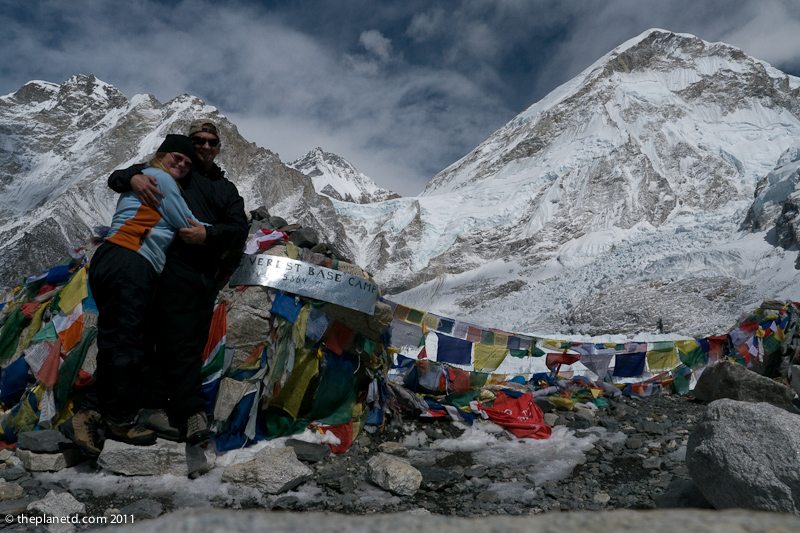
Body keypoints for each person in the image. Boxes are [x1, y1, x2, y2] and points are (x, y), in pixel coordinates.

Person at [105, 119, 248, 445]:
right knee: (147, 340)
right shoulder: (173, 170)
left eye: (212, 142)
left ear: (218, 147)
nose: (205, 147)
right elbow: (116, 178)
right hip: (157, 265)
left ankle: (179, 412)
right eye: (199, 140)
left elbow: (239, 228)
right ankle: (166, 411)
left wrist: (207, 234)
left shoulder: (225, 190)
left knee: (185, 343)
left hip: (198, 274)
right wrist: (135, 178)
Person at [87, 134, 203, 447]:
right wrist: (212, 233)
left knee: (114, 339)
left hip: (111, 258)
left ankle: (94, 412)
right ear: (161, 156)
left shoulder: (143, 176)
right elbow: (187, 224)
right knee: (126, 341)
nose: (181, 164)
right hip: (132, 259)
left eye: (187, 162)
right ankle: (119, 420)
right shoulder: (161, 179)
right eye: (176, 157)